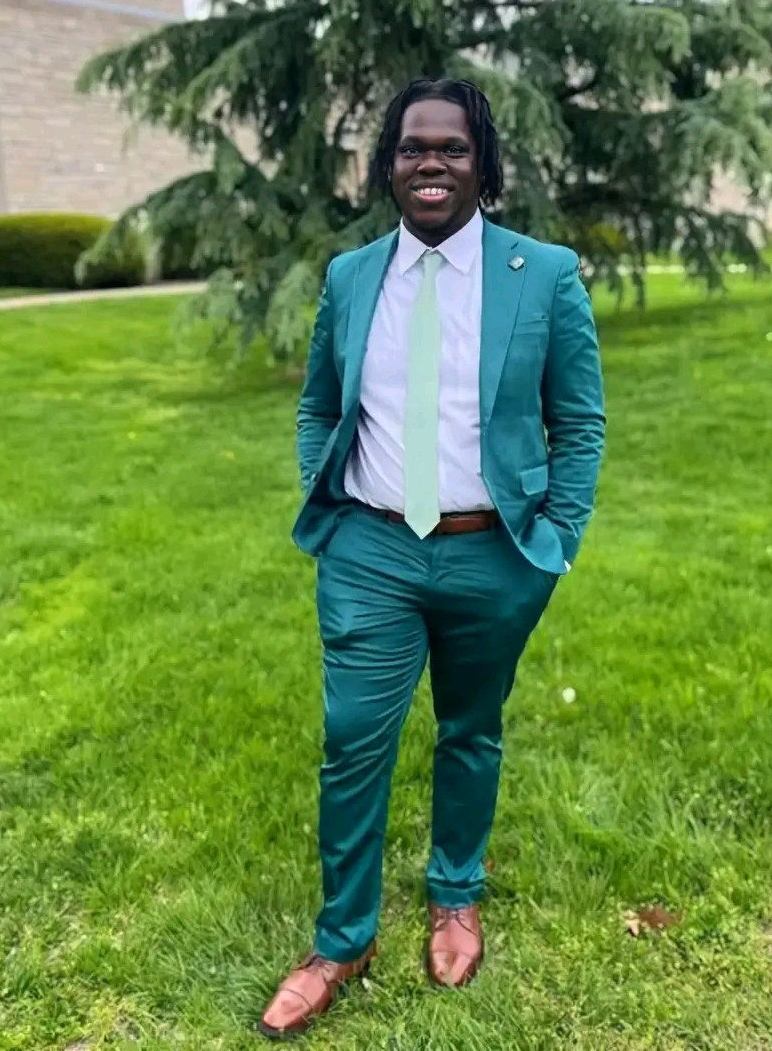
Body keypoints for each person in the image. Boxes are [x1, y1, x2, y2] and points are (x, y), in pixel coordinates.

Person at [258, 77, 606, 1040]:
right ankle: (342, 941)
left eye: (453, 147)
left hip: (494, 552)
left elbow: (579, 421)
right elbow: (319, 404)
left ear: (482, 163)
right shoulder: (351, 276)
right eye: (414, 147)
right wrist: (326, 492)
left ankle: (456, 893)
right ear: (389, 165)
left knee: (470, 729)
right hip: (370, 547)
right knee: (352, 741)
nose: (432, 163)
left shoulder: (544, 274)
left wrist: (556, 538)